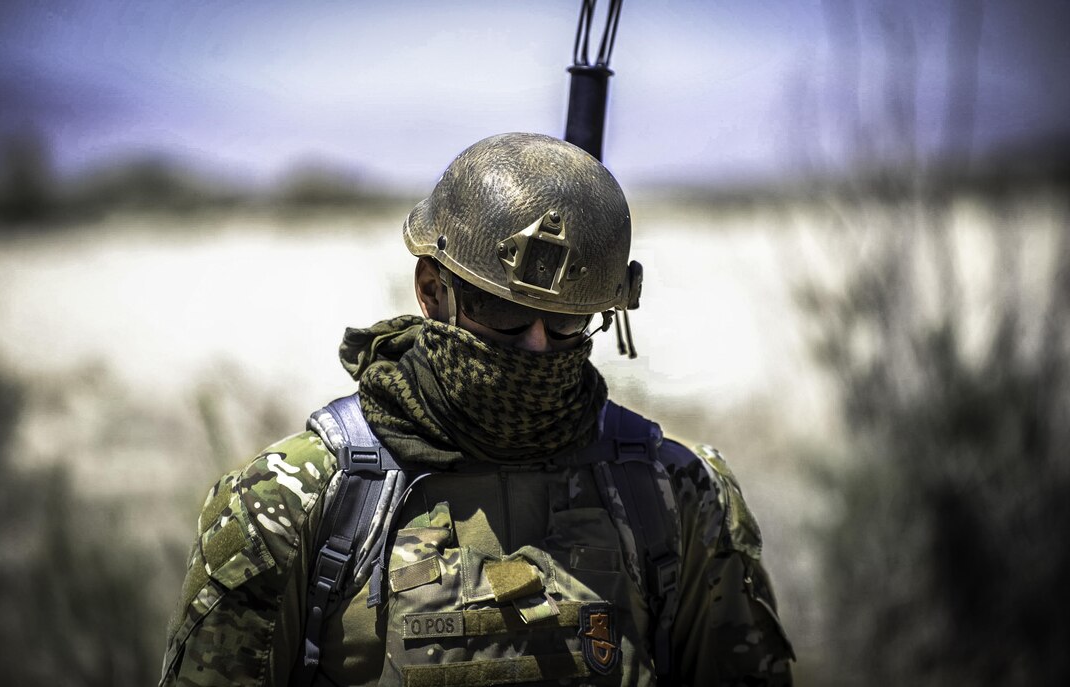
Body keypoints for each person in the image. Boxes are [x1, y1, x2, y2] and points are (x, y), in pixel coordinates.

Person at [160, 132, 794, 686]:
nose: (538, 346)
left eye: (569, 320)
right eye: (505, 313)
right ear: (434, 291)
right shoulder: (293, 505)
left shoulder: (673, 495)